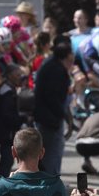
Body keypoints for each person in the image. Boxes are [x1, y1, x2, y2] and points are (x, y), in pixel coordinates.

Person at [33, 40, 74, 176]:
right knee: (51, 153)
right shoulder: (56, 69)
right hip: (50, 120)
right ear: (68, 55)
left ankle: (47, 182)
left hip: (46, 117)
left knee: (47, 152)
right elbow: (52, 95)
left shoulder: (50, 66)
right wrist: (61, 114)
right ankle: (49, 184)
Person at [0, 63, 25, 177]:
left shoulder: (7, 90)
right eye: (17, 75)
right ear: (10, 76)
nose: (20, 78)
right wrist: (22, 119)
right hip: (6, 132)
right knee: (6, 160)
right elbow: (7, 115)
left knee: (7, 160)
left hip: (6, 132)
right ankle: (1, 187)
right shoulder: (7, 93)